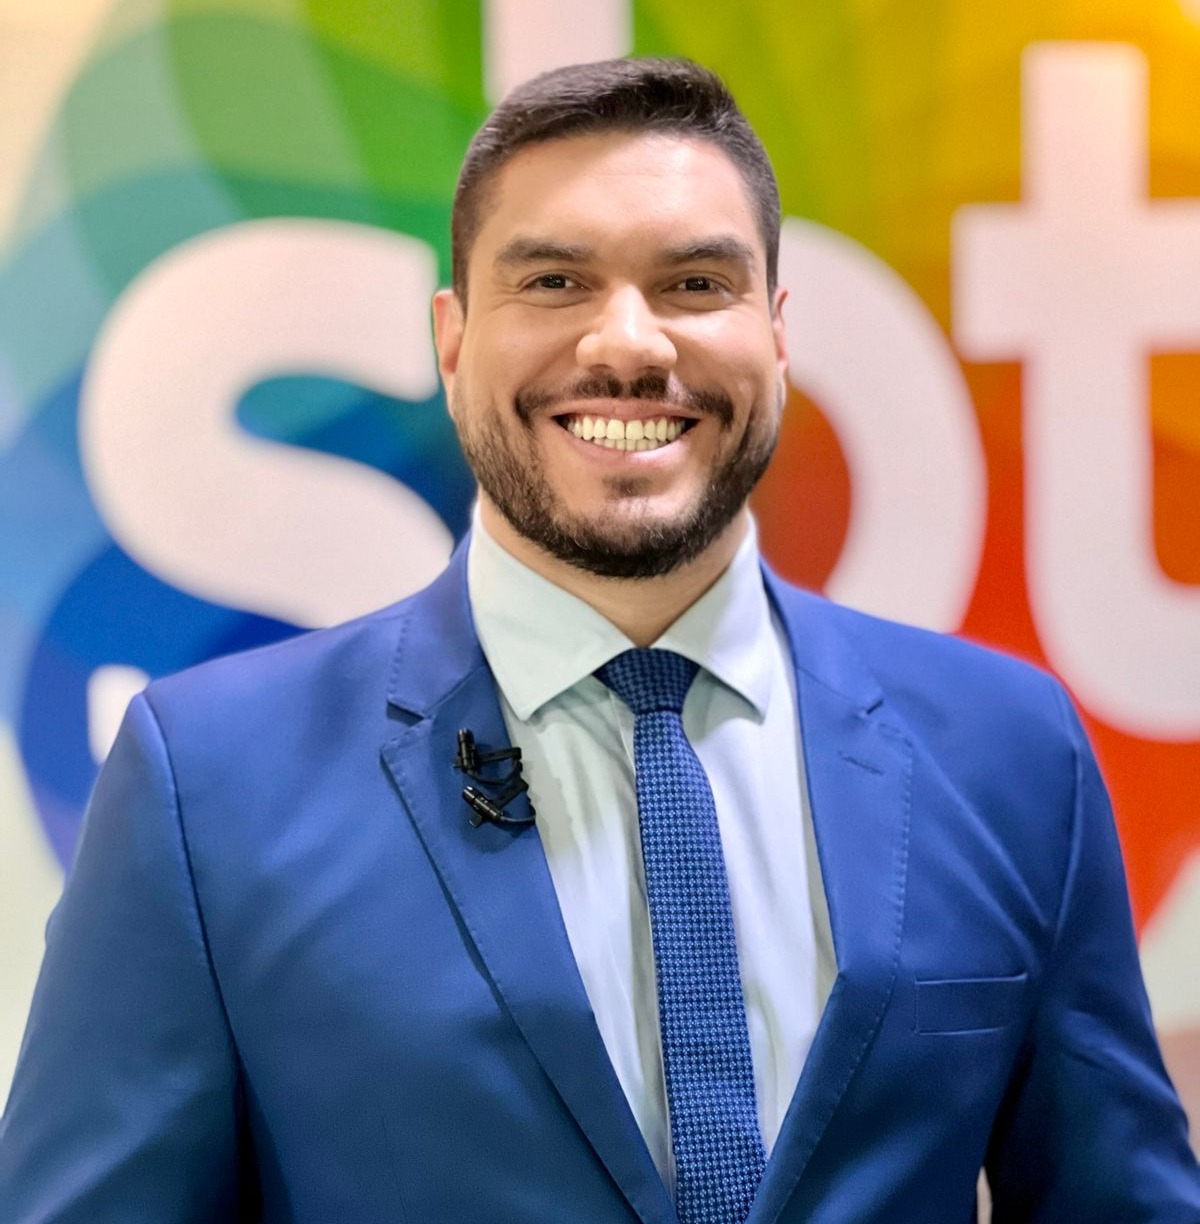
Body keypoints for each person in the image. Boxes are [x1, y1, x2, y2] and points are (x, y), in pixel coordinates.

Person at [1, 56, 1197, 1224]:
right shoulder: (208, 784)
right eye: (555, 282)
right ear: (452, 339)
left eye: (695, 284)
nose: (629, 344)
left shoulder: (1007, 751)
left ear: (778, 333)